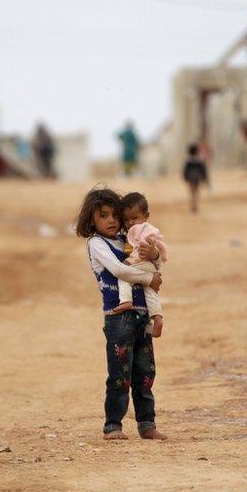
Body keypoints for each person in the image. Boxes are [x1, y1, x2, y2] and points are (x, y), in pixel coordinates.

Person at [75, 187, 168, 441]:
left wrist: (154, 255)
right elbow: (118, 270)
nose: (111, 220)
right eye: (103, 215)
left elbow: (154, 261)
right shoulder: (97, 244)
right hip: (118, 318)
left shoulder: (128, 239)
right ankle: (113, 425)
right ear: (91, 220)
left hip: (142, 316)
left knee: (145, 374)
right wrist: (150, 278)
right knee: (120, 375)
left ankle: (147, 424)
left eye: (115, 215)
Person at [114, 193, 167, 338]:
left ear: (146, 216)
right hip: (149, 268)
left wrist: (128, 262)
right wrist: (157, 255)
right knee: (150, 292)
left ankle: (126, 300)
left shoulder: (142, 232)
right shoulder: (136, 231)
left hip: (141, 265)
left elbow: (139, 251)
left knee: (123, 277)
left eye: (134, 218)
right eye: (126, 219)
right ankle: (157, 317)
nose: (130, 223)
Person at [183, 143, 209, 213]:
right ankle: (195, 206)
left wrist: (185, 177)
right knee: (196, 192)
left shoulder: (188, 161)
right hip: (197, 178)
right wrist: (205, 179)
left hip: (191, 179)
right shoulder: (199, 161)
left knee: (192, 193)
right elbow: (203, 171)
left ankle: (193, 206)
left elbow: (185, 171)